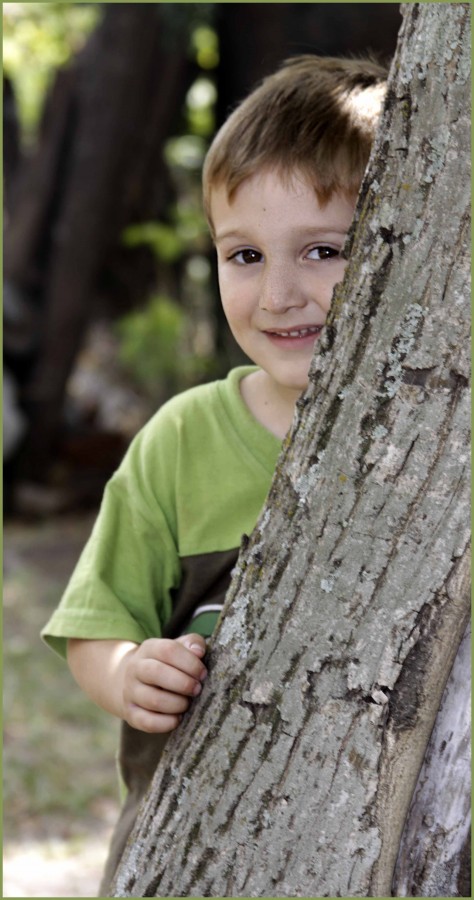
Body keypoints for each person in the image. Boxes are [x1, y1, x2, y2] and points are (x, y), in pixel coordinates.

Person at [42, 54, 387, 893]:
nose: (280, 294)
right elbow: (95, 622)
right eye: (243, 256)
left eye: (321, 250)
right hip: (200, 849)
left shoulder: (441, 445)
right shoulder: (182, 441)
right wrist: (127, 672)